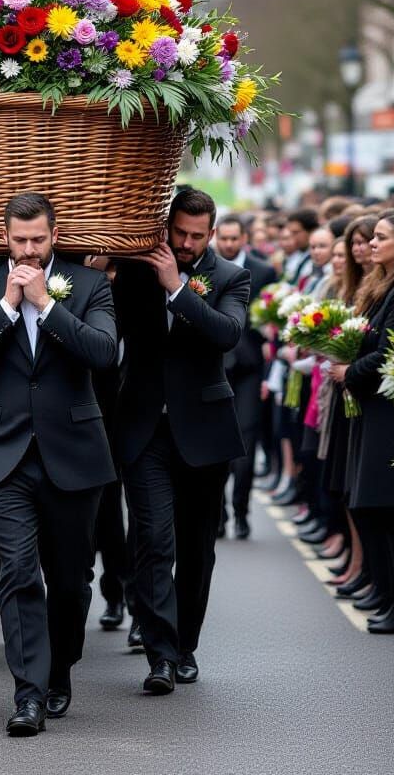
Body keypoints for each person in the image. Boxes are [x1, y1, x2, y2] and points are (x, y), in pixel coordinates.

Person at [0, 192, 117, 736]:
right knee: (18, 572)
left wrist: (47, 305)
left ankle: (59, 668)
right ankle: (28, 694)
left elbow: (103, 353)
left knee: (70, 580)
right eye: (19, 240)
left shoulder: (88, 285)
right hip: (3, 454)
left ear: (54, 236)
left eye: (38, 240)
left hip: (74, 451)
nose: (28, 250)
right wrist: (6, 306)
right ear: (5, 237)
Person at [113, 188, 250, 694]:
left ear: (211, 233)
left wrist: (177, 288)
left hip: (205, 432)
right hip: (144, 428)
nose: (187, 243)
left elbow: (226, 334)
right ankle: (161, 656)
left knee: (197, 549)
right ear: (166, 227)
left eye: (197, 235)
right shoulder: (134, 273)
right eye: (179, 233)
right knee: (153, 540)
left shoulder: (232, 277)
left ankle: (185, 644)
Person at [331, 211, 394, 635]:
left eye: (381, 237)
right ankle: (391, 595)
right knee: (372, 506)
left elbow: (391, 351)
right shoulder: (387, 284)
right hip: (374, 409)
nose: (372, 243)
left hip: (390, 412)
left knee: (392, 511)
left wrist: (350, 371)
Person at [215, 213, 276, 539]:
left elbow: (272, 320)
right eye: (223, 238)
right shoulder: (205, 269)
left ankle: (241, 511)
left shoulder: (263, 271)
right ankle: (219, 514)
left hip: (250, 368)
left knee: (246, 441)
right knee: (216, 445)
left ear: (244, 239)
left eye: (233, 238)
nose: (228, 244)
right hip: (214, 368)